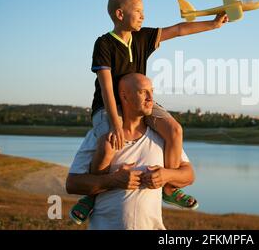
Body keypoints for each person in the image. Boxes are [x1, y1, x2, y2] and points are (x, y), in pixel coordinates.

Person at [69, 0, 228, 224]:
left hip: (139, 101)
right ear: (120, 14)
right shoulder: (103, 43)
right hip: (108, 105)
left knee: (174, 130)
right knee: (107, 143)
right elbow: (105, 87)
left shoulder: (142, 37)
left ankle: (169, 189)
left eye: (144, 12)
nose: (143, 16)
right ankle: (92, 195)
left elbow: (178, 29)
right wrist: (115, 122)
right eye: (138, 12)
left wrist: (213, 25)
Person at [66, 73, 196, 230]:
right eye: (143, 92)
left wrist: (166, 175)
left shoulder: (162, 135)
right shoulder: (100, 136)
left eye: (152, 91)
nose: (151, 98)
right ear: (124, 96)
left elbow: (188, 175)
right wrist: (113, 181)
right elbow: (72, 184)